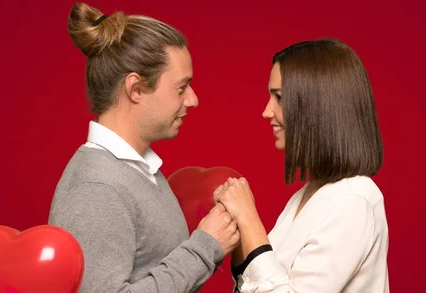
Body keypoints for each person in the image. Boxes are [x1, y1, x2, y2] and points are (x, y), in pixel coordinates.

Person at [48, 3, 239, 293]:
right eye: (180, 87)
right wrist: (204, 247)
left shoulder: (137, 171)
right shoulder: (97, 187)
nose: (193, 99)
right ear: (135, 89)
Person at [214, 38, 389, 292]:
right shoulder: (307, 195)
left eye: (280, 98)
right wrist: (240, 230)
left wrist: (249, 218)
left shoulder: (354, 199)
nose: (266, 111)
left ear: (317, 106)